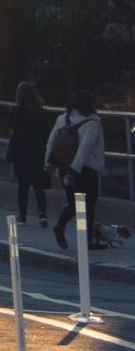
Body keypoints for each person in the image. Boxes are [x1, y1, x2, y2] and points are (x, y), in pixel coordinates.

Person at [52, 90, 110, 253]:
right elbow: (84, 150)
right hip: (85, 170)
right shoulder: (93, 124)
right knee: (89, 205)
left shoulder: (63, 119)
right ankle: (85, 241)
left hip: (64, 167)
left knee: (74, 204)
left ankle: (60, 226)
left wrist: (49, 164)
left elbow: (52, 141)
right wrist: (74, 170)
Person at [6, 82, 53, 224]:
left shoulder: (16, 110)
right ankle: (42, 214)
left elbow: (10, 127)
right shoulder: (41, 112)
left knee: (23, 186)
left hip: (20, 152)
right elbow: (46, 132)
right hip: (37, 152)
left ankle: (23, 215)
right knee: (39, 185)